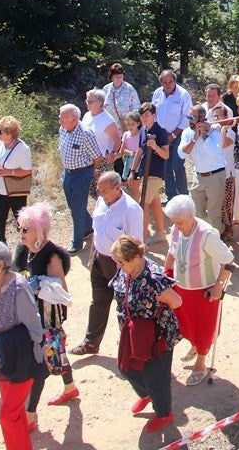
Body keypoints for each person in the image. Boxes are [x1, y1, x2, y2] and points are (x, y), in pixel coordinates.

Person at [0, 239, 45, 450]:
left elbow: (35, 332)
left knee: (7, 416)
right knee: (14, 415)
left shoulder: (17, 288)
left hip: (24, 362)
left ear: (0, 265)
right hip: (5, 360)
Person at [110, 235, 183, 434]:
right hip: (132, 333)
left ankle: (163, 413)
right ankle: (146, 394)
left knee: (156, 378)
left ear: (135, 257)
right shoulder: (125, 272)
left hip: (156, 337)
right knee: (126, 368)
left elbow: (176, 302)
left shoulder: (154, 279)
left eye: (121, 262)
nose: (118, 265)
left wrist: (160, 304)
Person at [14, 202, 77, 425]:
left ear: (38, 231)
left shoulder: (51, 255)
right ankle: (70, 387)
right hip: (36, 314)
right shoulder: (29, 251)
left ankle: (30, 414)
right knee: (55, 354)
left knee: (43, 361)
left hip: (49, 316)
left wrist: (32, 284)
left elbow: (60, 288)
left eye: (25, 229)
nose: (20, 233)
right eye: (20, 228)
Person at [163, 195, 235, 386]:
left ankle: (201, 363)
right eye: (174, 222)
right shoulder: (176, 229)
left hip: (203, 293)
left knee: (203, 328)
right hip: (181, 289)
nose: (176, 226)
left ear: (191, 215)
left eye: (179, 221)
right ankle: (194, 345)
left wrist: (218, 286)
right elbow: (171, 253)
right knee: (184, 324)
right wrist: (165, 276)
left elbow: (229, 261)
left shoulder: (206, 234)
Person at [70, 172, 144, 356]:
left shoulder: (131, 210)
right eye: (99, 190)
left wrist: (130, 271)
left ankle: (130, 346)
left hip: (120, 265)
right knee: (98, 302)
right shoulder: (101, 202)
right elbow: (97, 229)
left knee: (124, 306)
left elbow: (136, 246)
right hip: (99, 259)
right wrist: (92, 254)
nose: (100, 193)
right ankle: (91, 342)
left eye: (104, 190)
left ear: (118, 188)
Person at [56, 104, 103, 253]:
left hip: (82, 173)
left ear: (75, 119)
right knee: (74, 206)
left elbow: (97, 156)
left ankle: (77, 242)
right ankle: (89, 228)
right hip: (67, 173)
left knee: (77, 209)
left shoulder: (85, 133)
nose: (60, 121)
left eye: (63, 118)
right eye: (60, 117)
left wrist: (91, 170)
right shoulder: (63, 129)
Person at [179, 104, 230, 232]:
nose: (189, 119)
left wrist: (204, 134)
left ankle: (218, 240)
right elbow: (182, 153)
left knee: (214, 213)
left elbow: (214, 151)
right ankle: (206, 237)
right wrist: (195, 139)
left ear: (202, 118)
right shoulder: (187, 133)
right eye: (188, 116)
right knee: (197, 213)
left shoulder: (215, 131)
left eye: (192, 117)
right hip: (198, 177)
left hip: (215, 176)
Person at [0, 117, 33, 244]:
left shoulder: (23, 149)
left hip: (16, 193)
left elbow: (27, 170)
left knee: (23, 224)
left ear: (10, 133)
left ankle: (29, 249)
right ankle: (0, 254)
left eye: (0, 131)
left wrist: (8, 172)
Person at [130, 102, 170, 241]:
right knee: (155, 201)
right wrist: (132, 171)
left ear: (154, 115)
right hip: (144, 172)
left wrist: (156, 147)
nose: (144, 118)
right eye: (142, 116)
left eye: (147, 115)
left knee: (143, 204)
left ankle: (142, 236)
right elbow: (139, 151)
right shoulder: (142, 131)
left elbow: (166, 155)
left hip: (156, 173)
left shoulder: (161, 131)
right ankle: (161, 233)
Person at [152, 70, 193, 199]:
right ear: (161, 83)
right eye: (165, 82)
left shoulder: (183, 95)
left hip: (179, 135)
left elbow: (187, 117)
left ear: (175, 81)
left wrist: (173, 135)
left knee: (177, 164)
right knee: (166, 166)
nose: (168, 84)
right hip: (162, 136)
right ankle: (171, 196)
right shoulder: (157, 94)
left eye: (170, 81)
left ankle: (183, 196)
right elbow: (154, 114)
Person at [82, 89, 123, 175]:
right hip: (87, 158)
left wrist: (112, 154)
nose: (87, 103)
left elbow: (117, 140)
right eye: (87, 101)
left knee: (101, 187)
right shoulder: (87, 115)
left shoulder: (107, 120)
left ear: (100, 103)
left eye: (91, 102)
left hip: (102, 160)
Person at [101, 63, 142, 130]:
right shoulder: (106, 89)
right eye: (116, 76)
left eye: (121, 76)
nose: (119, 78)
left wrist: (131, 122)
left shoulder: (130, 89)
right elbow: (101, 107)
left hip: (125, 128)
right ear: (111, 77)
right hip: (109, 128)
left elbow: (136, 109)